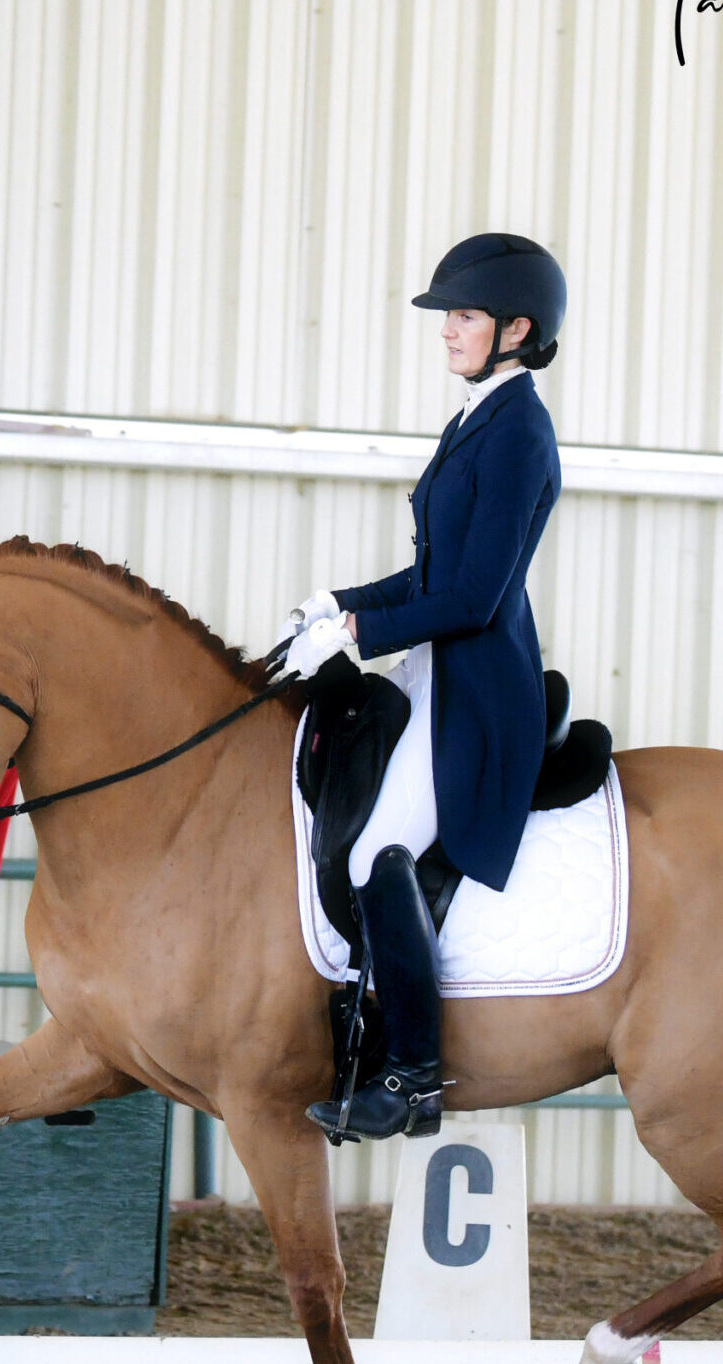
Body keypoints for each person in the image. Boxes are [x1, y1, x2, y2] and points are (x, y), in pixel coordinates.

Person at [275, 232, 567, 1141]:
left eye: (466, 316)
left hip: (476, 688)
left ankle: (410, 1076)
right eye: (448, 315)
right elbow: (428, 571)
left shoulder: (519, 430)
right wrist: (341, 600)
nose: (447, 330)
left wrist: (358, 633)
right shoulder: (478, 415)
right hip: (433, 665)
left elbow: (474, 597)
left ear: (517, 329)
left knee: (372, 860)